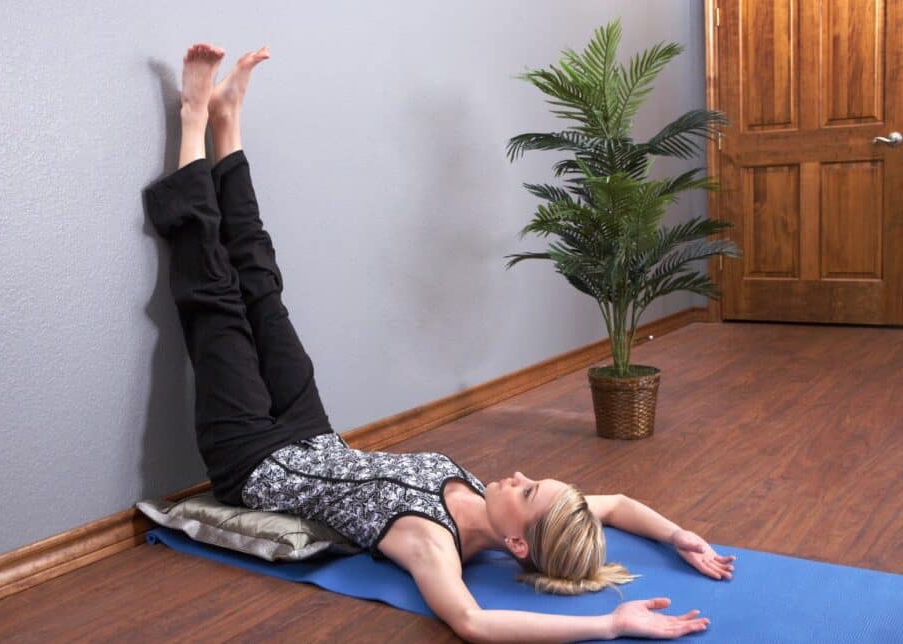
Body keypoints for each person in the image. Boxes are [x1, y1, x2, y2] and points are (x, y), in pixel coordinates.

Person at [143, 42, 734, 643]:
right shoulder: (493, 500)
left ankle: (195, 117)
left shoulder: (429, 542)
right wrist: (679, 535)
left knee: (216, 303)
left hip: (251, 461)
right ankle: (229, 122)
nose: (520, 474)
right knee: (264, 286)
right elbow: (615, 504)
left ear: (514, 542)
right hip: (311, 431)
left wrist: (610, 622)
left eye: (527, 491)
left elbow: (475, 623)